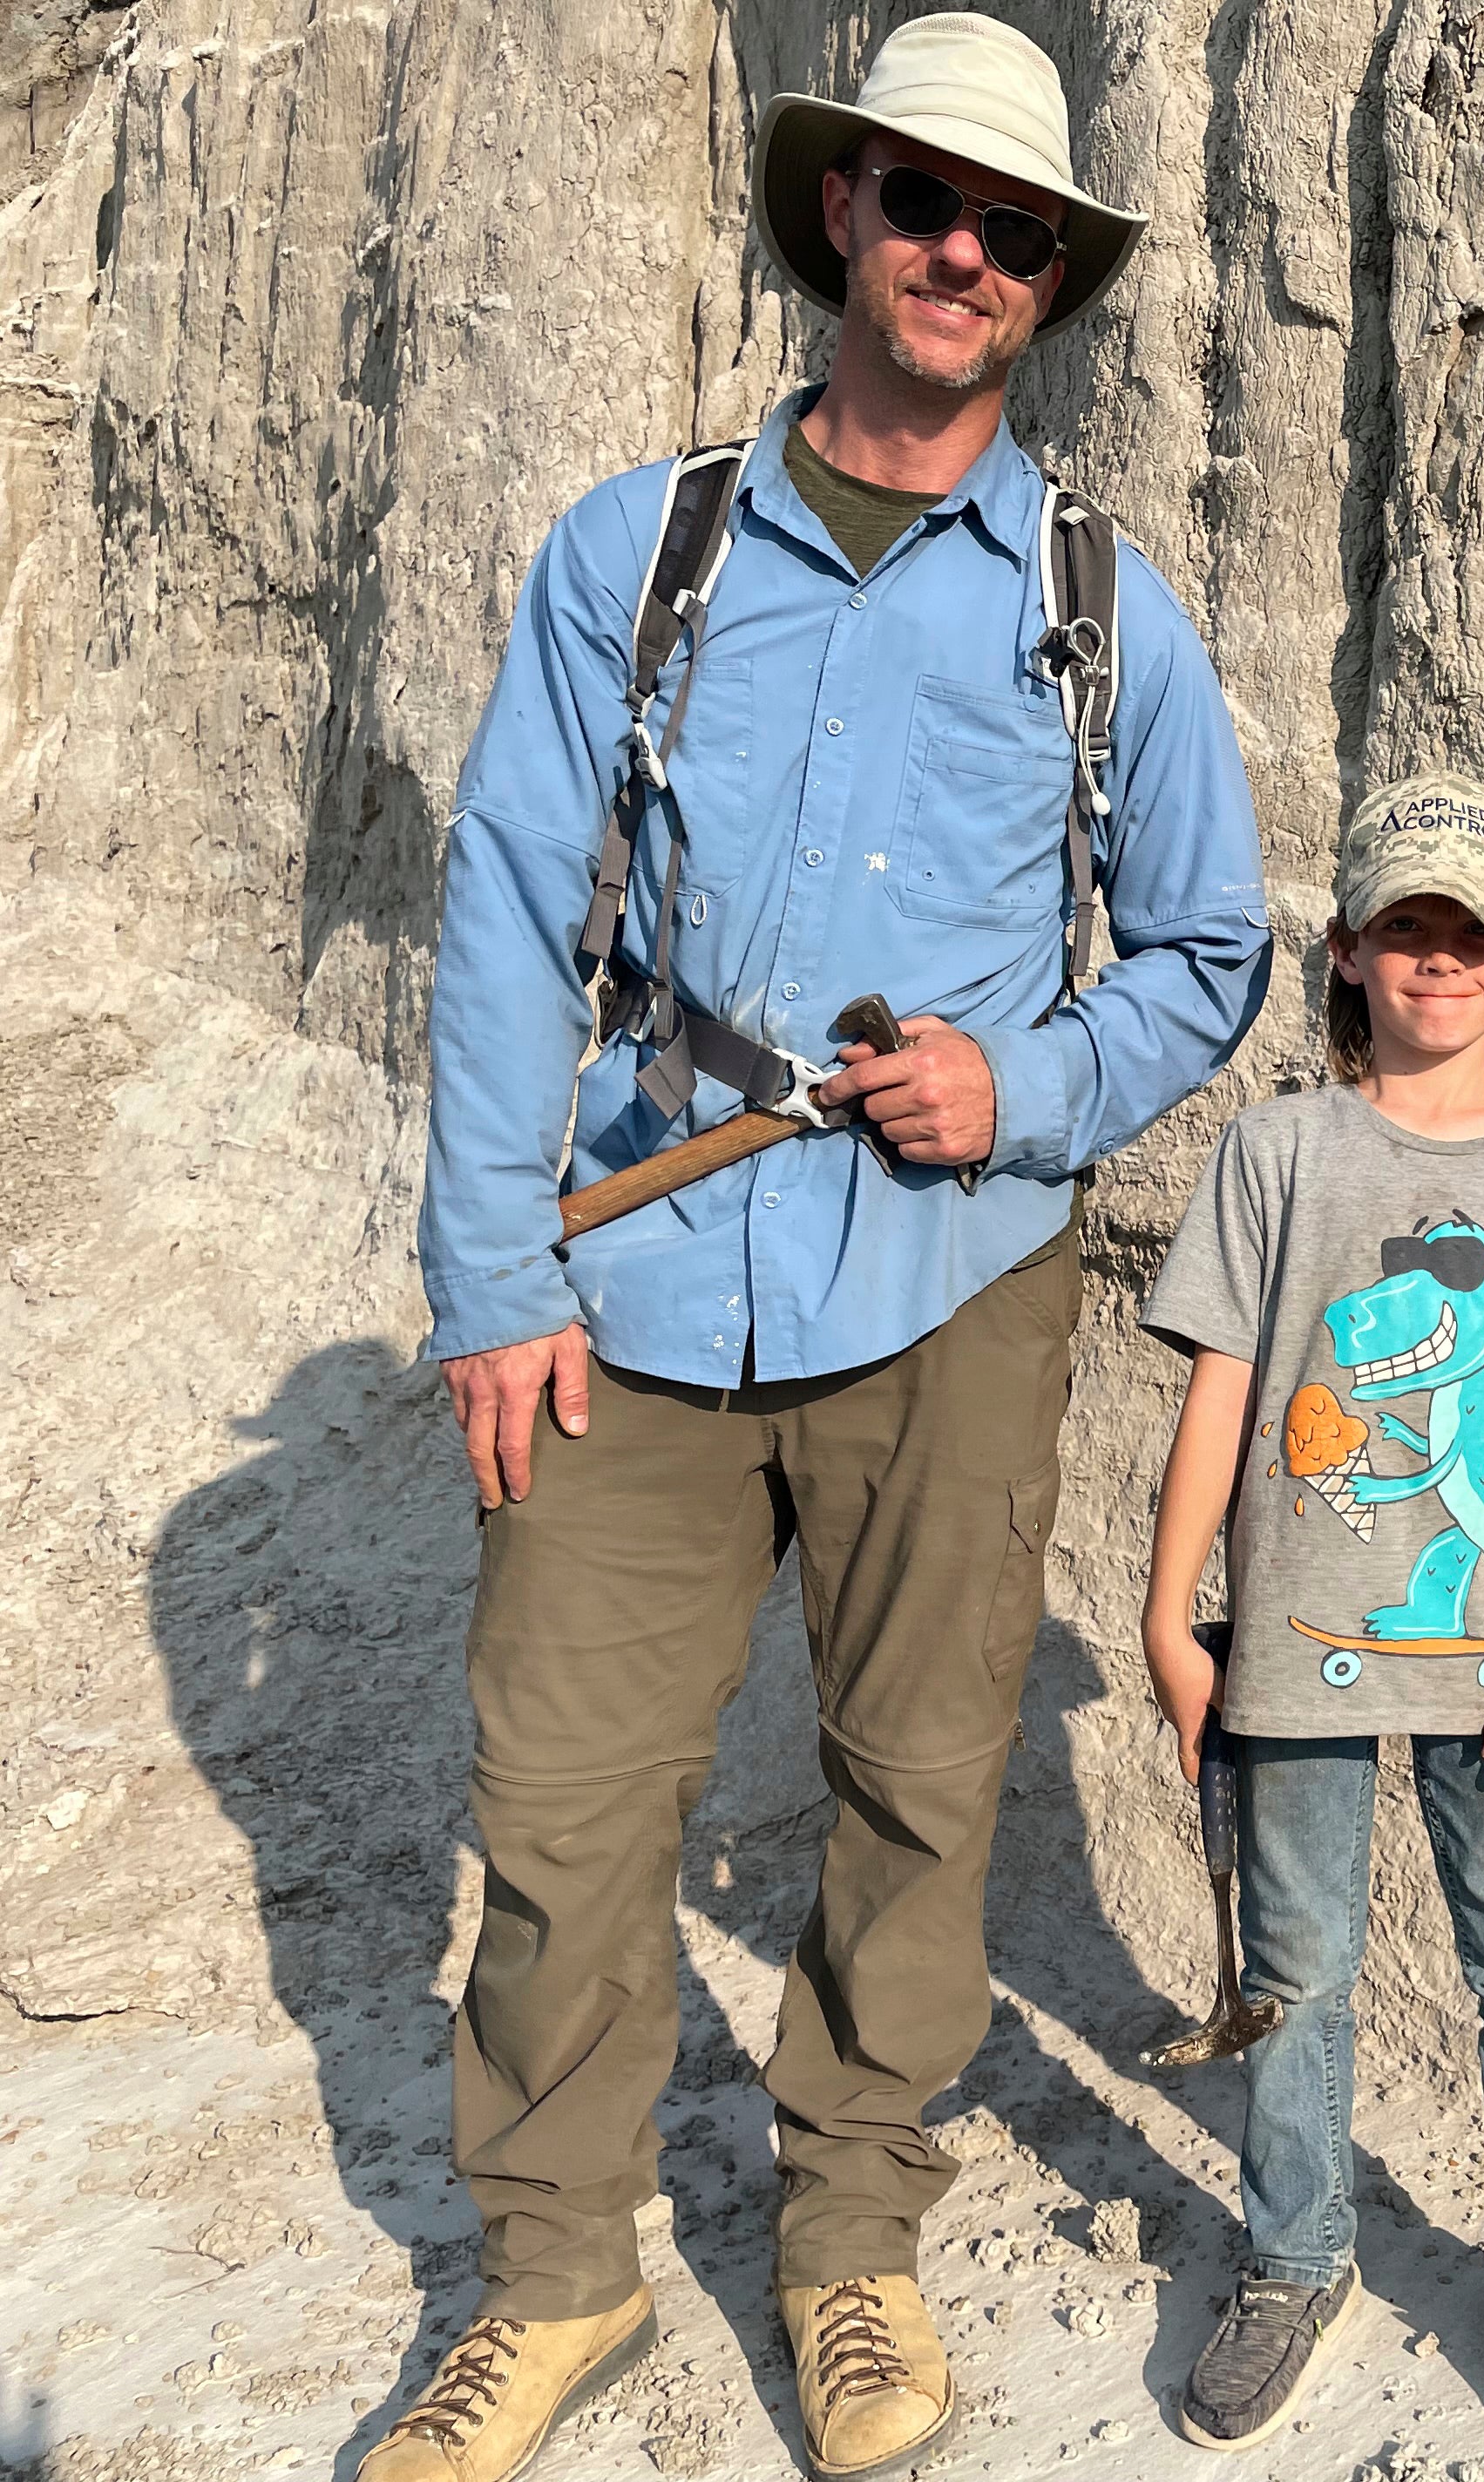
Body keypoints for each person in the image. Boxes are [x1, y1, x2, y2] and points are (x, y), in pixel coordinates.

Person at [381, 17, 1270, 2481]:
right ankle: (552, 2287)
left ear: (1051, 278)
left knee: (916, 1791)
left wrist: (1035, 1087)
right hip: (637, 1290)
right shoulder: (634, 551)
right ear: (841, 218)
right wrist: (494, 1273)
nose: (962, 255)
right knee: (560, 1815)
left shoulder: (1102, 600)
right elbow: (505, 923)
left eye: (1014, 231)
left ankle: (849, 2239)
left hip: (950, 1293)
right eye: (920, 205)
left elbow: (1209, 946)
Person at [1135, 773, 1484, 2463]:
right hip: (1289, 1641)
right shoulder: (1279, 1153)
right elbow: (1222, 1393)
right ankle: (1292, 2257)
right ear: (1348, 951)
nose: (1437, 963)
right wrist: (1172, 1615)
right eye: (1404, 930)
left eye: (1472, 935)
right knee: (1295, 1968)